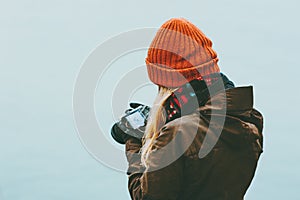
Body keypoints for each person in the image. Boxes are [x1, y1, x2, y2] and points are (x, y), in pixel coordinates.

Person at [116, 18, 264, 200]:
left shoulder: (178, 133)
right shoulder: (247, 118)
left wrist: (133, 140)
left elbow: (147, 197)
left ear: (169, 84)